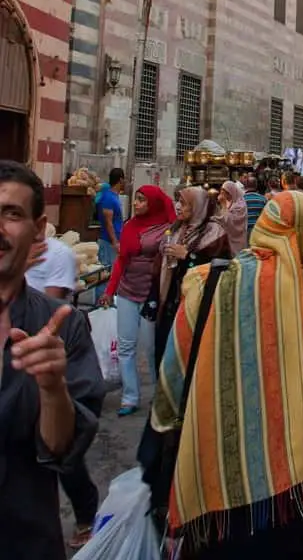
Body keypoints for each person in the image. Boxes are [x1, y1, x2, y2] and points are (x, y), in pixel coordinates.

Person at [151, 191, 303, 559]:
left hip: (217, 461)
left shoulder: (206, 282)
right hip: (298, 471)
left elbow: (173, 371)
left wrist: (162, 428)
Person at [0, 161, 104, 560]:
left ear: (38, 228)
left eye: (12, 213)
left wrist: (52, 388)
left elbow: (61, 449)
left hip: (23, 539)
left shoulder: (61, 327)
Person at [101, 185, 174, 416]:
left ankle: (157, 396)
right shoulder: (130, 226)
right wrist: (109, 290)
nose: (137, 204)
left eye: (142, 200)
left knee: (151, 348)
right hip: (127, 292)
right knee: (125, 347)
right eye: (136, 199)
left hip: (151, 296)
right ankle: (129, 397)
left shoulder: (167, 228)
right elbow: (121, 260)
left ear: (152, 203)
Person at [156, 187, 228, 368]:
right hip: (172, 300)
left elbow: (219, 269)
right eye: (178, 202)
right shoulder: (177, 228)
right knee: (163, 352)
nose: (178, 207)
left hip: (196, 306)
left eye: (184, 203)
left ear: (198, 207)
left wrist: (188, 256)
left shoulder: (214, 232)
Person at [94, 167, 125, 299]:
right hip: (108, 242)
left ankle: (108, 301)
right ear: (121, 180)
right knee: (105, 274)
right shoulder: (108, 198)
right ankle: (101, 303)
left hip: (113, 241)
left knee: (112, 273)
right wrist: (115, 242)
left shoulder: (114, 196)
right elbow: (108, 222)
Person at [217, 180, 249, 253]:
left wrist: (223, 204)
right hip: (227, 239)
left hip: (237, 240)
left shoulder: (240, 205)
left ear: (231, 192)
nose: (225, 196)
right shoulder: (230, 202)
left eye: (226, 194)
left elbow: (229, 221)